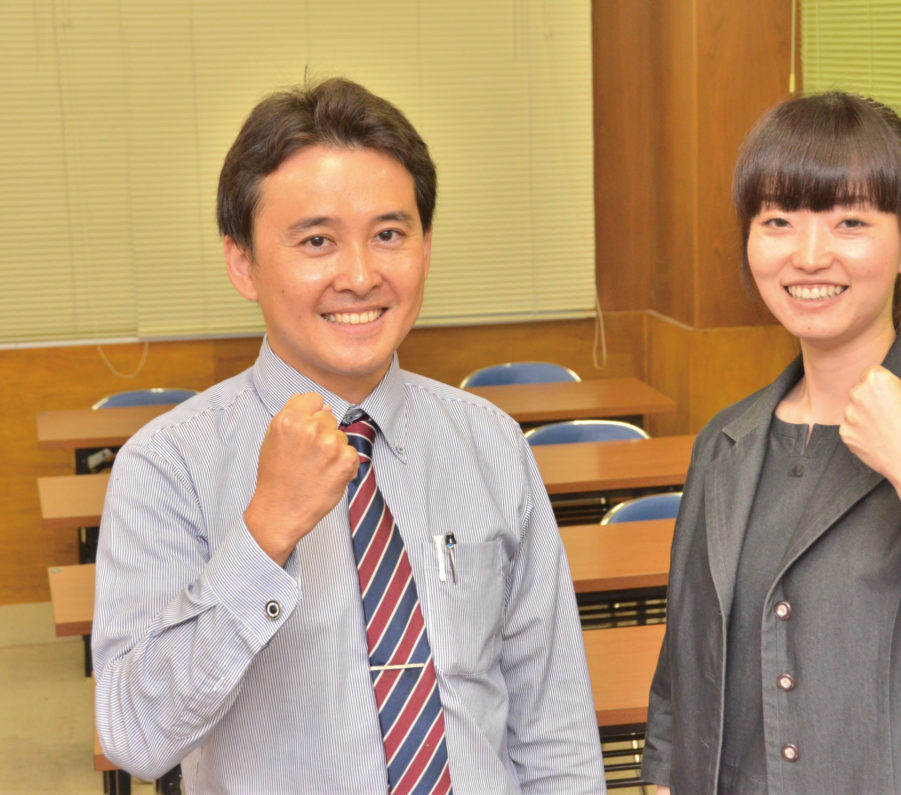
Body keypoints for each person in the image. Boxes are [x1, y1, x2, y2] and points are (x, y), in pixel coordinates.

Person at [93, 77, 606, 794]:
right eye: (317, 241)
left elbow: (554, 727)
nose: (361, 276)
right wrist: (264, 534)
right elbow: (136, 737)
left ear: (426, 245)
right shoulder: (169, 464)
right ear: (242, 262)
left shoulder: (491, 444)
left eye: (389, 235)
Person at [641, 92, 901, 792]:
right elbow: (681, 680)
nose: (809, 256)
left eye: (850, 222)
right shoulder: (727, 440)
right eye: (778, 221)